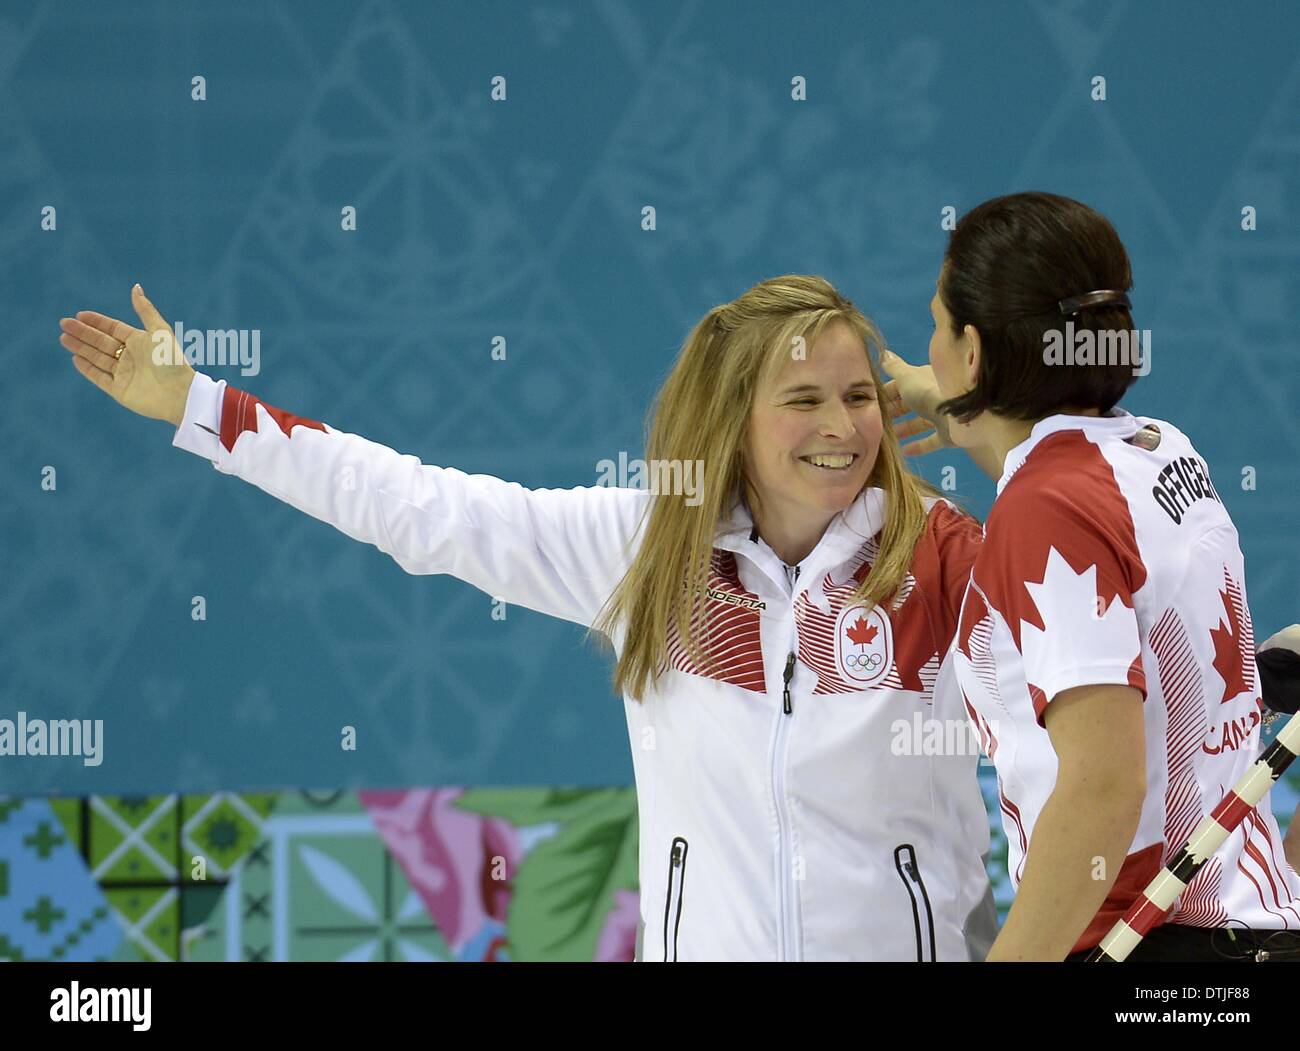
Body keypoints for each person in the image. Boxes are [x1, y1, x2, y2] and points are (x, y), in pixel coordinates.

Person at [58, 276, 998, 962]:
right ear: (731, 418)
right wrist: (203, 407)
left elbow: (1082, 724)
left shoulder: (946, 561)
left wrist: (986, 422)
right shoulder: (652, 551)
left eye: (859, 395)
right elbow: (418, 507)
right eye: (803, 399)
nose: (843, 426)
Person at [880, 191, 1300, 962]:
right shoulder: (1162, 449)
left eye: (937, 324)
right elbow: (1058, 463)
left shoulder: (1044, 512)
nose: (929, 345)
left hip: (1143, 950)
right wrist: (960, 406)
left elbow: (1103, 786)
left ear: (973, 351)